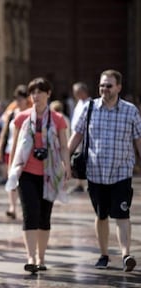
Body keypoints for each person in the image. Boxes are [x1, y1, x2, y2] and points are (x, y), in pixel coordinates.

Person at [68, 69, 141, 272]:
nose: (104, 89)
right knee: (101, 216)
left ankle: (126, 255)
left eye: (109, 85)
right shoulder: (90, 108)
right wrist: (64, 159)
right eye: (101, 85)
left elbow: (138, 139)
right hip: (96, 172)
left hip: (121, 172)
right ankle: (104, 254)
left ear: (118, 87)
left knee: (122, 214)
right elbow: (77, 135)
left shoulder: (130, 111)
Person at [5, 77, 70, 273]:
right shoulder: (21, 117)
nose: (35, 96)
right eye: (33, 92)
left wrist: (66, 166)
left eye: (40, 92)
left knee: (44, 217)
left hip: (49, 173)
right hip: (26, 172)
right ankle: (31, 257)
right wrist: (11, 171)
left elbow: (64, 146)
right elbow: (15, 146)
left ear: (48, 94)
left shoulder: (57, 119)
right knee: (29, 215)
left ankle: (41, 257)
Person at [0, 84, 30, 220]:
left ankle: (24, 206)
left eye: (21, 98)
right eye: (16, 98)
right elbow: (5, 132)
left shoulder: (31, 113)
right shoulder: (11, 113)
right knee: (11, 177)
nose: (18, 101)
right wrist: (0, 147)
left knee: (23, 180)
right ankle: (12, 207)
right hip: (10, 149)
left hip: (25, 152)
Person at [69, 82, 91, 193]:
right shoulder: (79, 103)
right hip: (76, 136)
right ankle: (79, 183)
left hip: (84, 137)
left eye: (77, 92)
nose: (75, 94)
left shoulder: (90, 104)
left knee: (85, 160)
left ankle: (86, 183)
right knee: (78, 160)